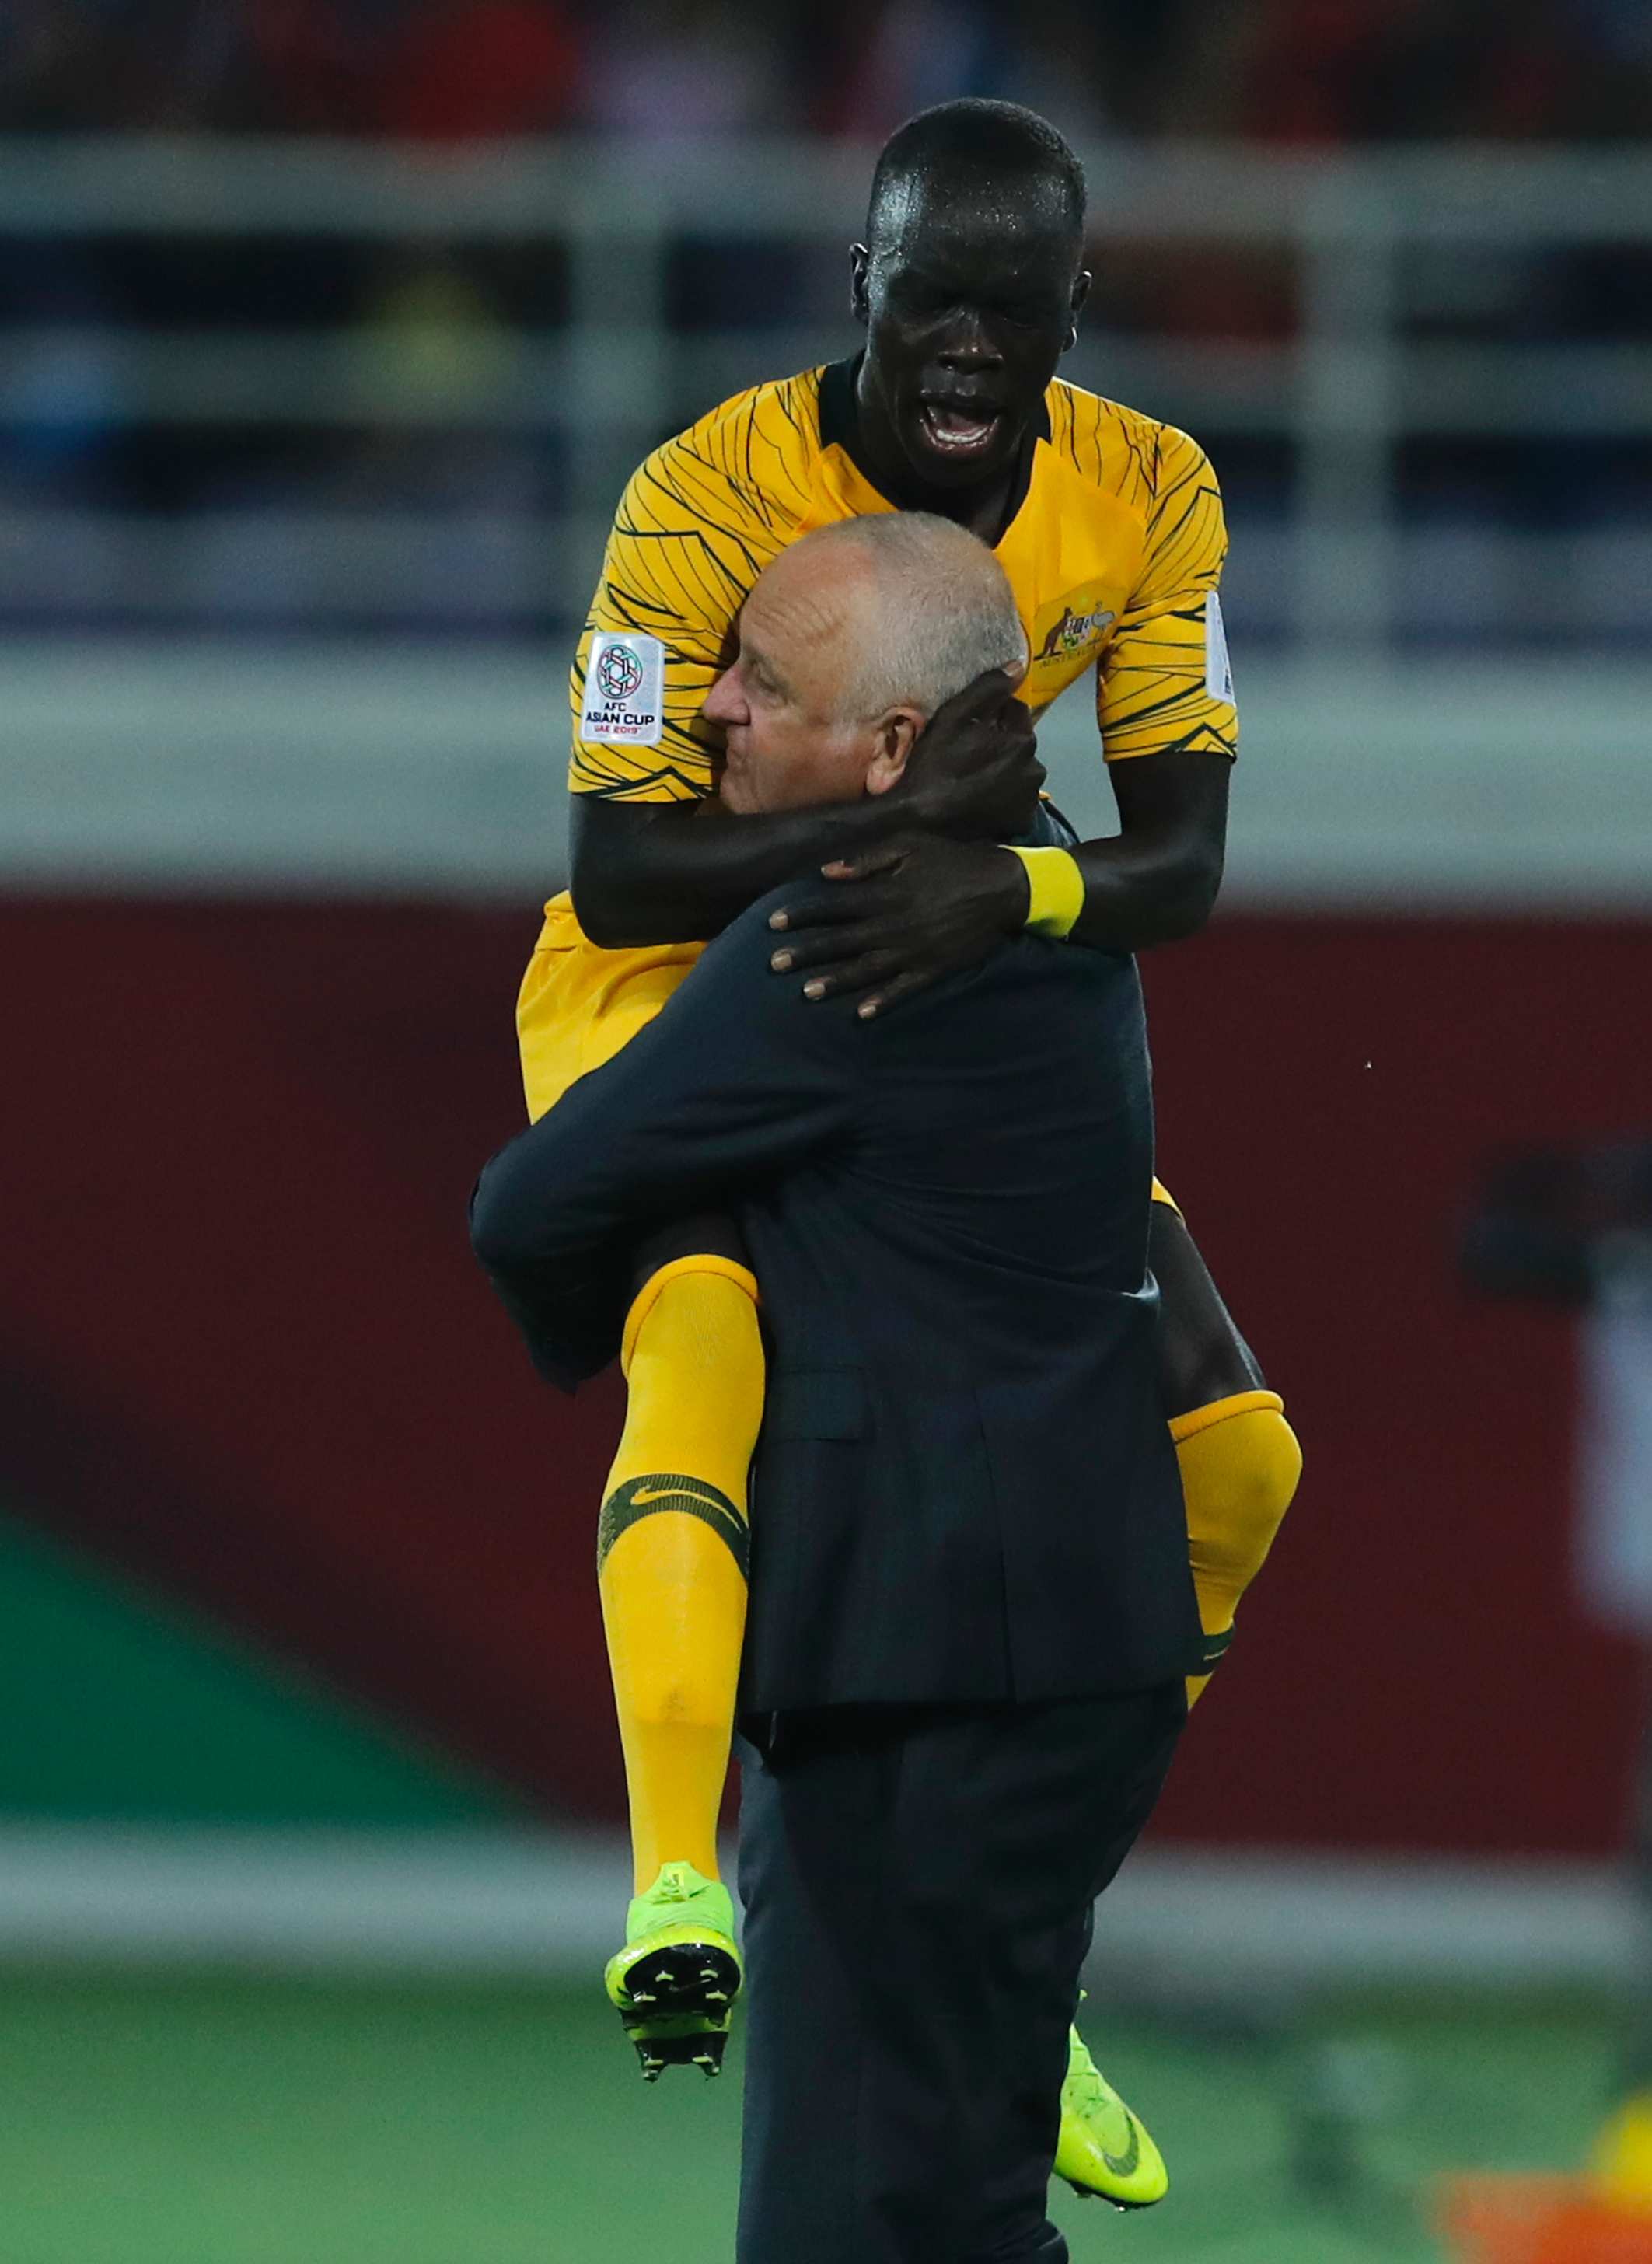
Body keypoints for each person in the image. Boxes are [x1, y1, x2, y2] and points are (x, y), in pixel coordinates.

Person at [517, 96, 1303, 2203]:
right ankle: (674, 1881)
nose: (967, 348)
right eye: (928, 298)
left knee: (1235, 1450)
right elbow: (618, 862)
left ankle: (1021, 1969)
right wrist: (907, 831)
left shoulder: (1149, 492)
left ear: (1073, 307)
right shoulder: (699, 496)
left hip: (949, 987)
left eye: (1011, 308)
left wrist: (1005, 895)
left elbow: (1181, 859)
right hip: (671, 995)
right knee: (700, 1337)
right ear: (860, 285)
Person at [472, 511, 1200, 2262]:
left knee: (868, 2227)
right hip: (1061, 1647)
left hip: (919, 1670)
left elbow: (535, 1204)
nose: (710, 708)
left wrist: (692, 1239)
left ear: (887, 751)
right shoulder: (1033, 885)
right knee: (940, 2214)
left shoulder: (841, 931)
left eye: (762, 683)